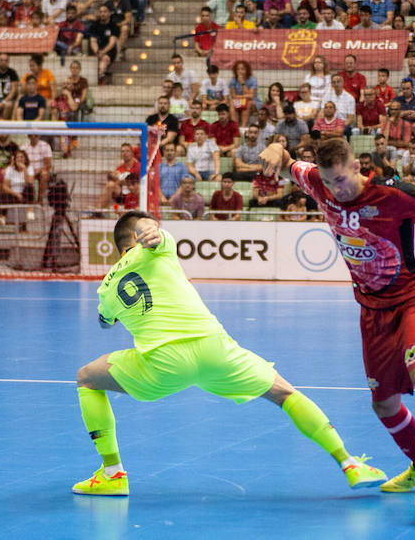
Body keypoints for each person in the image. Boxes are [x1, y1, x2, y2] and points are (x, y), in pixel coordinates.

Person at [72, 210, 388, 495]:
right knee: (284, 393)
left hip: (160, 365)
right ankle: (349, 464)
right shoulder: (159, 246)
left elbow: (105, 321)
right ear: (140, 235)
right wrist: (150, 228)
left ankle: (112, 473)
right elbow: (151, 231)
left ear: (118, 245)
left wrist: (109, 309)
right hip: (214, 350)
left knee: (87, 377)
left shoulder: (107, 285)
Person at [259, 137, 415, 517]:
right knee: (383, 404)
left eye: (342, 179)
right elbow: (287, 162)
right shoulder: (315, 181)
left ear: (356, 167)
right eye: (330, 182)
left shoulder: (393, 194)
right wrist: (274, 147)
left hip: (413, 297)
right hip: (371, 308)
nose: (338, 189)